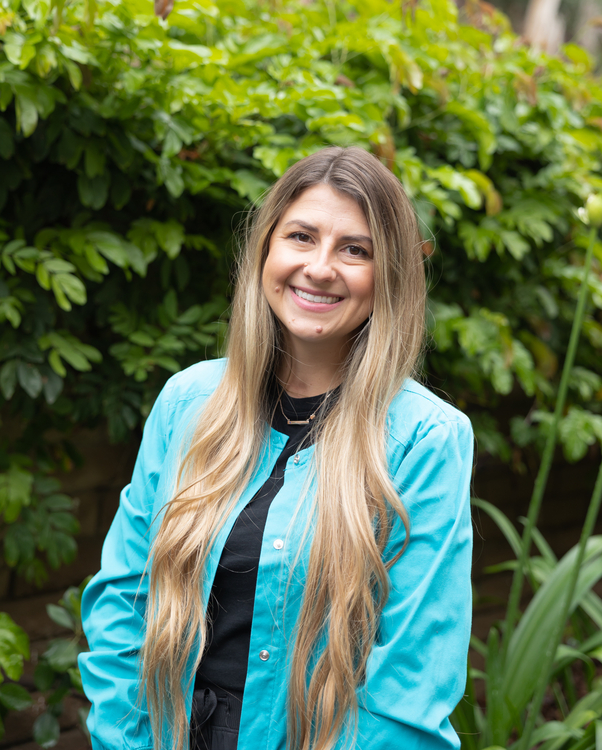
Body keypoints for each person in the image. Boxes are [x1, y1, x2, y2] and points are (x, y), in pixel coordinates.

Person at [79, 146, 474, 750]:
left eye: (355, 249)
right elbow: (122, 605)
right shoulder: (188, 402)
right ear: (266, 250)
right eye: (301, 237)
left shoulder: (425, 440)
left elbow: (409, 688)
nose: (320, 267)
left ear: (388, 273)